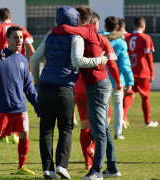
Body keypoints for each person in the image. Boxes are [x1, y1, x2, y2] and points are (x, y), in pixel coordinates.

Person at [31, 7, 108, 179]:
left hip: (45, 87)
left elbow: (34, 59)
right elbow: (77, 61)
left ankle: (47, 169)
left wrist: (37, 82)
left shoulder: (50, 36)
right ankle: (61, 166)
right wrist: (100, 60)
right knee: (66, 128)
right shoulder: (76, 37)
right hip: (63, 88)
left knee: (46, 130)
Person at [51, 5, 122, 179]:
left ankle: (96, 171)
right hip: (102, 83)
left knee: (98, 129)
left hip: (96, 85)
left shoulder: (85, 31)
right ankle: (112, 168)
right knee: (103, 127)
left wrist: (56, 26)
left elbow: (64, 28)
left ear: (80, 18)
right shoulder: (98, 35)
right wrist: (118, 83)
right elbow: (112, 62)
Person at [0, 26, 40, 176]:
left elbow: (28, 86)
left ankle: (21, 167)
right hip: (3, 106)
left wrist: (36, 105)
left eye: (21, 37)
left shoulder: (22, 59)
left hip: (20, 107)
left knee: (24, 135)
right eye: (15, 37)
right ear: (7, 40)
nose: (19, 40)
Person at [0, 8, 35, 144]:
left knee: (5, 96)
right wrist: (29, 69)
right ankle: (13, 132)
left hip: (1, 67)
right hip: (20, 66)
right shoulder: (21, 29)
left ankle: (6, 132)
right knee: (17, 96)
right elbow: (32, 51)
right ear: (10, 16)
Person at [101, 16, 134, 140]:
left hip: (101, 79)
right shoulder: (121, 42)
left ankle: (103, 131)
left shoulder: (99, 39)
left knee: (103, 106)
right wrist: (129, 81)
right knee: (118, 105)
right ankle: (118, 132)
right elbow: (125, 64)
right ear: (118, 27)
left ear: (105, 26)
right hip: (117, 80)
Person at [123, 17, 158, 127]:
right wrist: (152, 72)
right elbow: (149, 56)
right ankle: (147, 122)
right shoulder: (146, 38)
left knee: (129, 94)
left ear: (134, 26)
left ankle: (122, 119)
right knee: (145, 96)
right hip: (143, 72)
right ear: (143, 26)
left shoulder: (127, 38)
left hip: (130, 71)